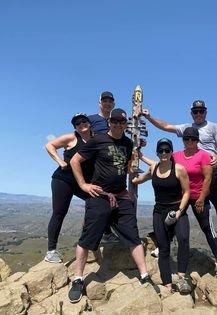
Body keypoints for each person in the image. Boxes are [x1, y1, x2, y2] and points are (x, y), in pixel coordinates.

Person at [68, 108, 158, 303]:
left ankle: (144, 275)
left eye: (121, 122)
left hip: (121, 196)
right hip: (99, 195)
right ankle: (77, 279)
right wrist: (83, 184)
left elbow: (127, 167)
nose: (118, 125)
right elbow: (75, 160)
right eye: (114, 121)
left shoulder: (127, 143)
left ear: (125, 124)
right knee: (88, 237)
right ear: (109, 123)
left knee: (132, 234)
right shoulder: (97, 140)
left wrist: (139, 158)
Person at [143, 100, 217, 256]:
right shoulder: (186, 128)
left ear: (205, 112)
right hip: (188, 173)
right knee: (178, 207)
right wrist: (149, 117)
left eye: (201, 111)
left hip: (208, 170)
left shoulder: (213, 127)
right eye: (195, 111)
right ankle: (165, 242)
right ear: (191, 113)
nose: (198, 114)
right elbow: (165, 126)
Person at [132, 138, 191, 294]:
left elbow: (187, 192)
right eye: (161, 150)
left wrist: (179, 212)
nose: (164, 153)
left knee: (183, 239)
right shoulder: (153, 168)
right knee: (163, 247)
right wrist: (131, 176)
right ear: (157, 152)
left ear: (171, 152)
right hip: (159, 212)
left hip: (178, 210)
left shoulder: (179, 169)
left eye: (167, 150)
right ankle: (167, 283)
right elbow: (139, 180)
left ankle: (182, 277)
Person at [173, 127, 217, 277]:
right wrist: (141, 156)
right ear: (183, 140)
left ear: (198, 140)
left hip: (198, 197)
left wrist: (202, 198)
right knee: (172, 221)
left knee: (207, 228)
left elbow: (208, 178)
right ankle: (162, 247)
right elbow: (161, 166)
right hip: (182, 196)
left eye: (193, 139)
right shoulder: (175, 156)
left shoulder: (204, 156)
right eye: (186, 138)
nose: (189, 141)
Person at [45, 113, 93, 263]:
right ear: (75, 127)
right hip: (63, 180)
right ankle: (51, 251)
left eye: (84, 121)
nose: (81, 124)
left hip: (81, 182)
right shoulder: (71, 138)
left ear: (89, 123)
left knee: (97, 202)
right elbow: (49, 145)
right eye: (77, 123)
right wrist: (60, 161)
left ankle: (103, 234)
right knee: (59, 213)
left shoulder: (96, 139)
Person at [88, 91, 119, 242]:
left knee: (112, 199)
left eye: (110, 101)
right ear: (100, 103)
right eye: (104, 100)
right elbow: (80, 137)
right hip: (95, 166)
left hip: (113, 167)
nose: (107, 103)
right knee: (97, 201)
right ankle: (94, 234)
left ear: (113, 104)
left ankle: (107, 232)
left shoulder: (116, 120)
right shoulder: (91, 119)